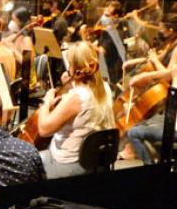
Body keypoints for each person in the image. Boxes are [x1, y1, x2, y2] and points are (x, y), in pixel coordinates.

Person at [33, 41, 116, 178]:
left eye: (70, 64)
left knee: (29, 161)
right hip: (97, 160)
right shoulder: (105, 88)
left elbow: (44, 129)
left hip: (70, 164)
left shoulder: (77, 98)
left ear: (74, 68)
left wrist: (46, 102)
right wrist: (73, 82)